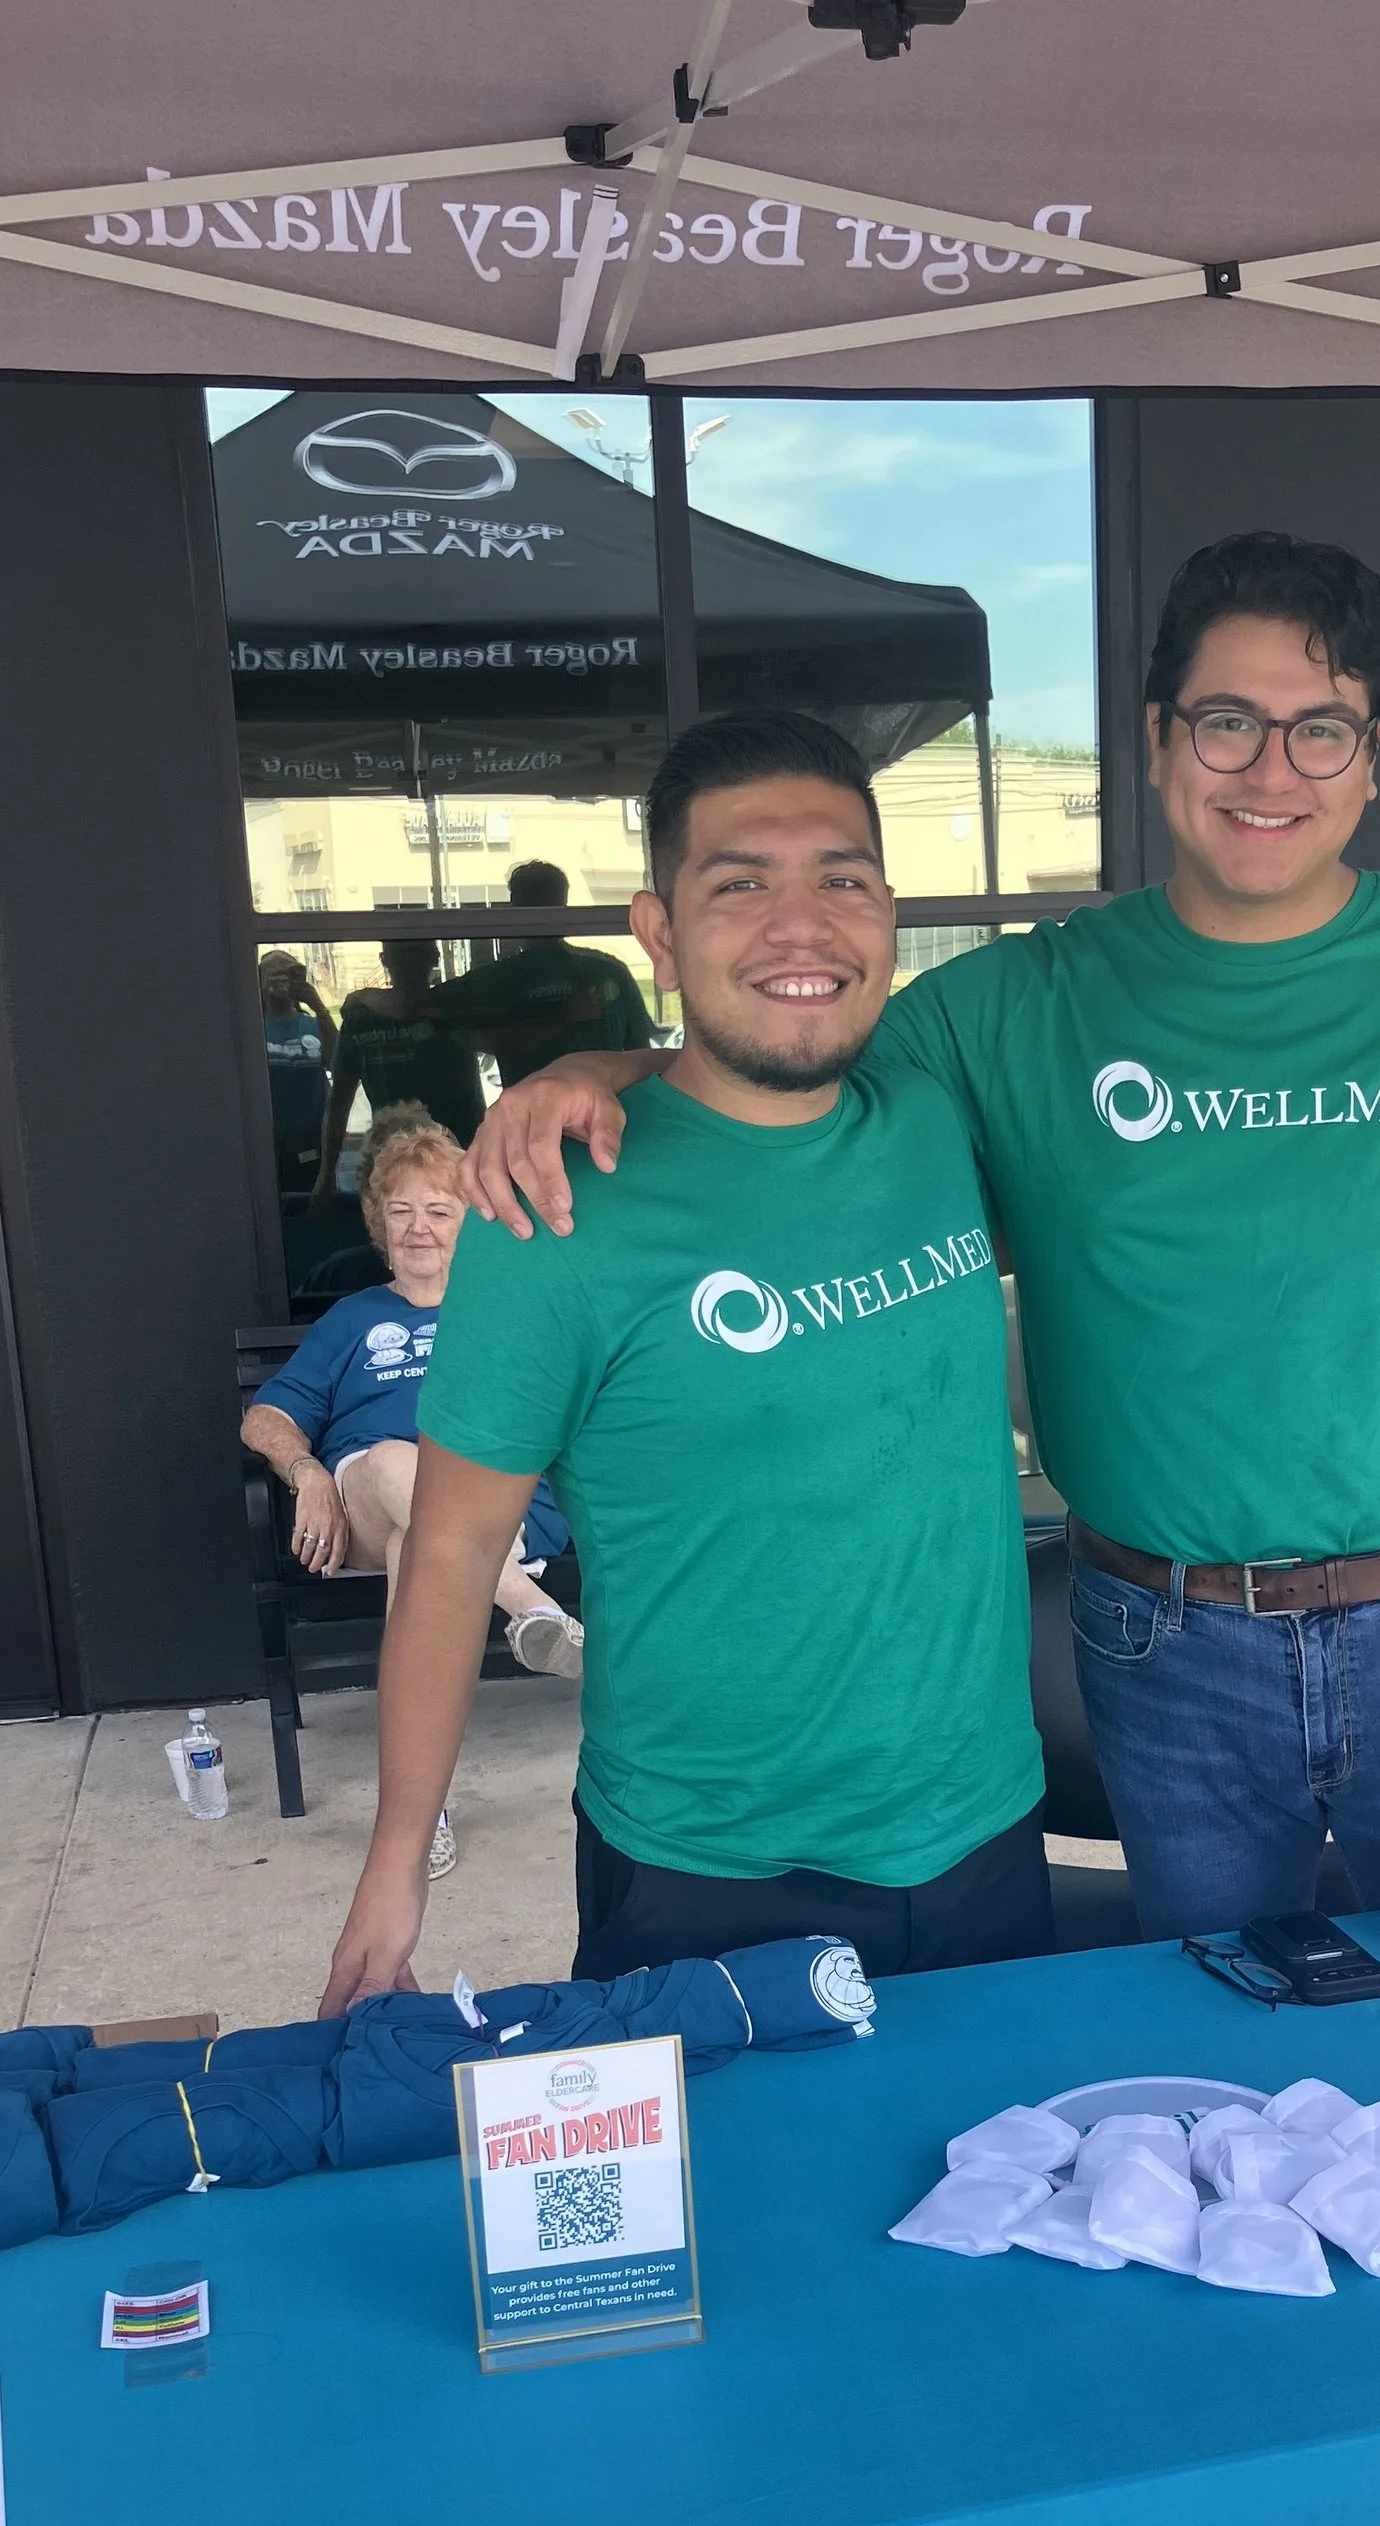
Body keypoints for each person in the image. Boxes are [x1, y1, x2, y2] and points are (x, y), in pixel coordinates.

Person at [464, 534, 1380, 1940]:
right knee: (1226, 2073)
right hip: (1167, 1653)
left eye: (1320, 730)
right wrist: (595, 1072)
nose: (1270, 770)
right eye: (1229, 722)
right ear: (1161, 745)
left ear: (1372, 760)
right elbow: (784, 1042)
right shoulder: (1015, 1010)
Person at [316, 713, 1048, 2010]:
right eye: (739, 885)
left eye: (843, 880)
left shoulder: (937, 1114)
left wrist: (594, 1059)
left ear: (888, 912)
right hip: (709, 1870)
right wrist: (393, 1866)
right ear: (657, 932)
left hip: (982, 1828)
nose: (801, 925)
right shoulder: (552, 1208)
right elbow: (448, 1553)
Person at [244, 1118, 580, 1884]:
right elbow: (266, 1416)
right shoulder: (353, 1319)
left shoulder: (509, 1311)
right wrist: (310, 1475)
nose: (419, 1228)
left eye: (440, 1210)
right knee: (401, 1463)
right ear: (379, 1223)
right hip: (368, 1492)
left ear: (471, 1221)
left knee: (417, 1550)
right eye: (401, 1210)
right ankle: (538, 1613)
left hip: (494, 1515)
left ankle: (421, 1812)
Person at [427, 858, 658, 1087]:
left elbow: (426, 1007)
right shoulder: (608, 970)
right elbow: (643, 1059)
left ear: (515, 910)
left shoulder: (498, 979)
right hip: (599, 1118)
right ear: (564, 905)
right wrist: (563, 1016)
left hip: (541, 1119)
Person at [309, 939, 487, 1213]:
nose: (408, 964)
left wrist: (326, 1175)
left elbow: (339, 1100)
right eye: (403, 955)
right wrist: (325, 1175)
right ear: (436, 957)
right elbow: (339, 1100)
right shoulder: (362, 1018)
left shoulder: (454, 1007)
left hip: (456, 1159)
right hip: (403, 1161)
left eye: (413, 954)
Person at [259, 950, 338, 1203]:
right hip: (267, 1143)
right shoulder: (253, 1025)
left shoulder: (312, 1025)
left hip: (312, 1142)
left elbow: (338, 1062)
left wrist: (319, 1008)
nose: (280, 979)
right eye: (272, 973)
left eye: (288, 973)